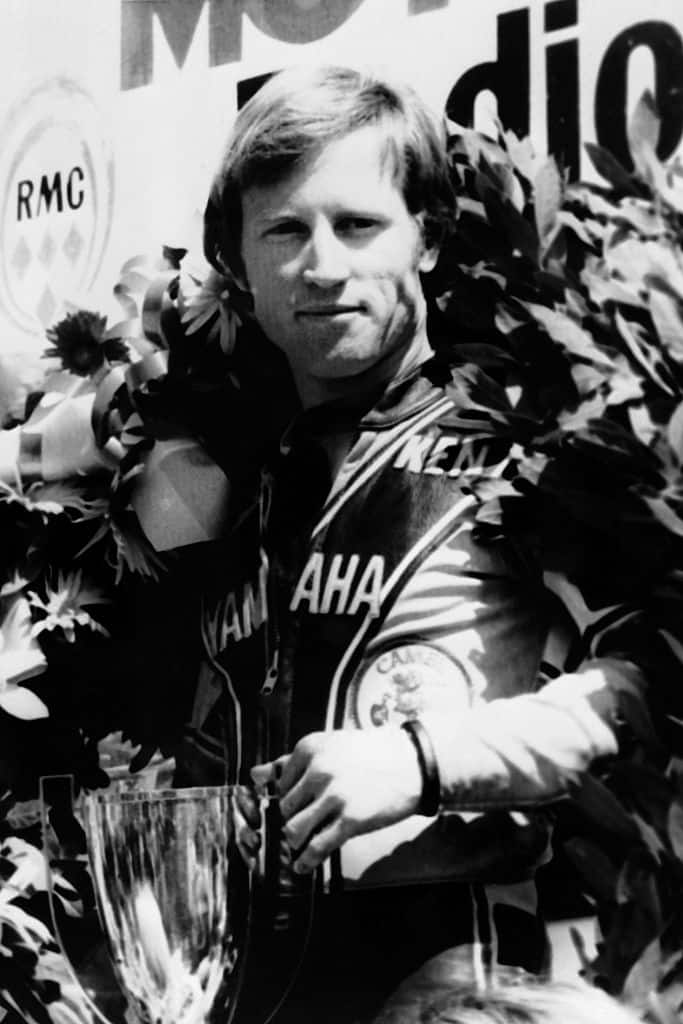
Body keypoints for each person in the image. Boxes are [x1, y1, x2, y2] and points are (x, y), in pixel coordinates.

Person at [177, 64, 645, 1023]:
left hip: (466, 978)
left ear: (428, 238)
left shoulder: (522, 443)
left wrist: (425, 760)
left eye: (358, 225)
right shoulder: (233, 491)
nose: (321, 266)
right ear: (238, 264)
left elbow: (652, 677)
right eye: (284, 230)